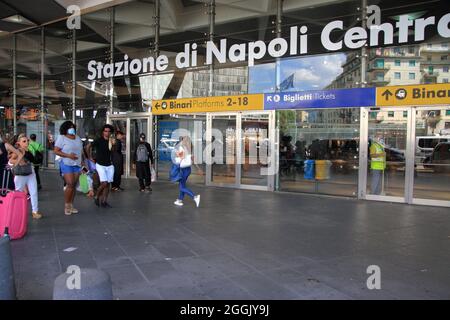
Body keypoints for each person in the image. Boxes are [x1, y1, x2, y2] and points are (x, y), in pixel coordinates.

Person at [54, 121, 84, 215]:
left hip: (77, 164)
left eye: (72, 127)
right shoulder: (61, 138)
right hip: (66, 163)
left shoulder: (78, 138)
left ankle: (71, 204)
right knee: (70, 183)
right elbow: (56, 151)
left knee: (73, 185)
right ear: (65, 128)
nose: (72, 128)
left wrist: (83, 162)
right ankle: (67, 205)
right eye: (69, 127)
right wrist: (68, 155)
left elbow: (80, 151)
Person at [9, 134, 42, 219]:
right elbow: (10, 160)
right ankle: (16, 210)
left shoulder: (29, 150)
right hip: (21, 174)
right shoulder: (18, 151)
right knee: (18, 193)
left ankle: (35, 211)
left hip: (31, 172)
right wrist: (20, 161)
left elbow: (32, 160)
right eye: (24, 141)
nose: (26, 142)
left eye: (27, 140)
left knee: (34, 192)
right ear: (18, 143)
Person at [88, 124, 115, 208]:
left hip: (109, 165)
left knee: (108, 184)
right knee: (104, 183)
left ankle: (104, 201)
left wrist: (113, 144)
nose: (107, 133)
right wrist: (90, 157)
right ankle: (96, 196)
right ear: (103, 132)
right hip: (100, 164)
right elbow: (88, 146)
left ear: (111, 132)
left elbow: (113, 151)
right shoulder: (99, 140)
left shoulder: (112, 141)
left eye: (109, 131)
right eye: (105, 131)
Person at [173, 136, 200, 207]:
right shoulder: (190, 148)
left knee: (182, 187)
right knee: (183, 185)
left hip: (183, 170)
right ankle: (179, 200)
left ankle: (195, 197)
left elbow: (181, 157)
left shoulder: (182, 148)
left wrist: (176, 153)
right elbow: (193, 160)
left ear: (184, 141)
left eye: (182, 140)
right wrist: (198, 168)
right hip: (188, 169)